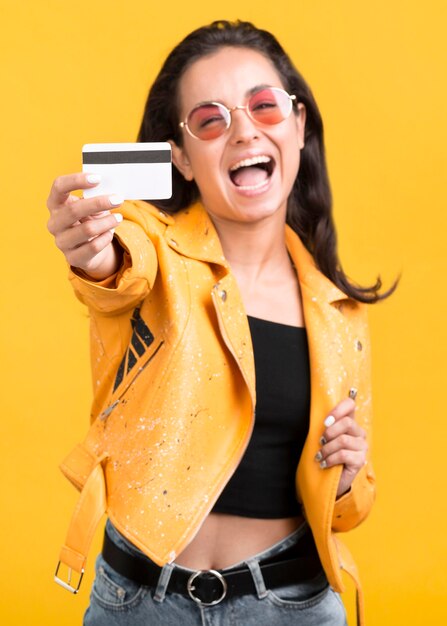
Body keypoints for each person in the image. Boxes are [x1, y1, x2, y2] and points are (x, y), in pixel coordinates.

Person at [47, 20, 392, 626]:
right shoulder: (148, 246)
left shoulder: (341, 313)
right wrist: (90, 252)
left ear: (298, 124)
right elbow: (115, 272)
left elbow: (347, 509)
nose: (243, 131)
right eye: (210, 120)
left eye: (264, 106)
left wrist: (348, 475)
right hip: (138, 603)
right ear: (180, 156)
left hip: (292, 605)